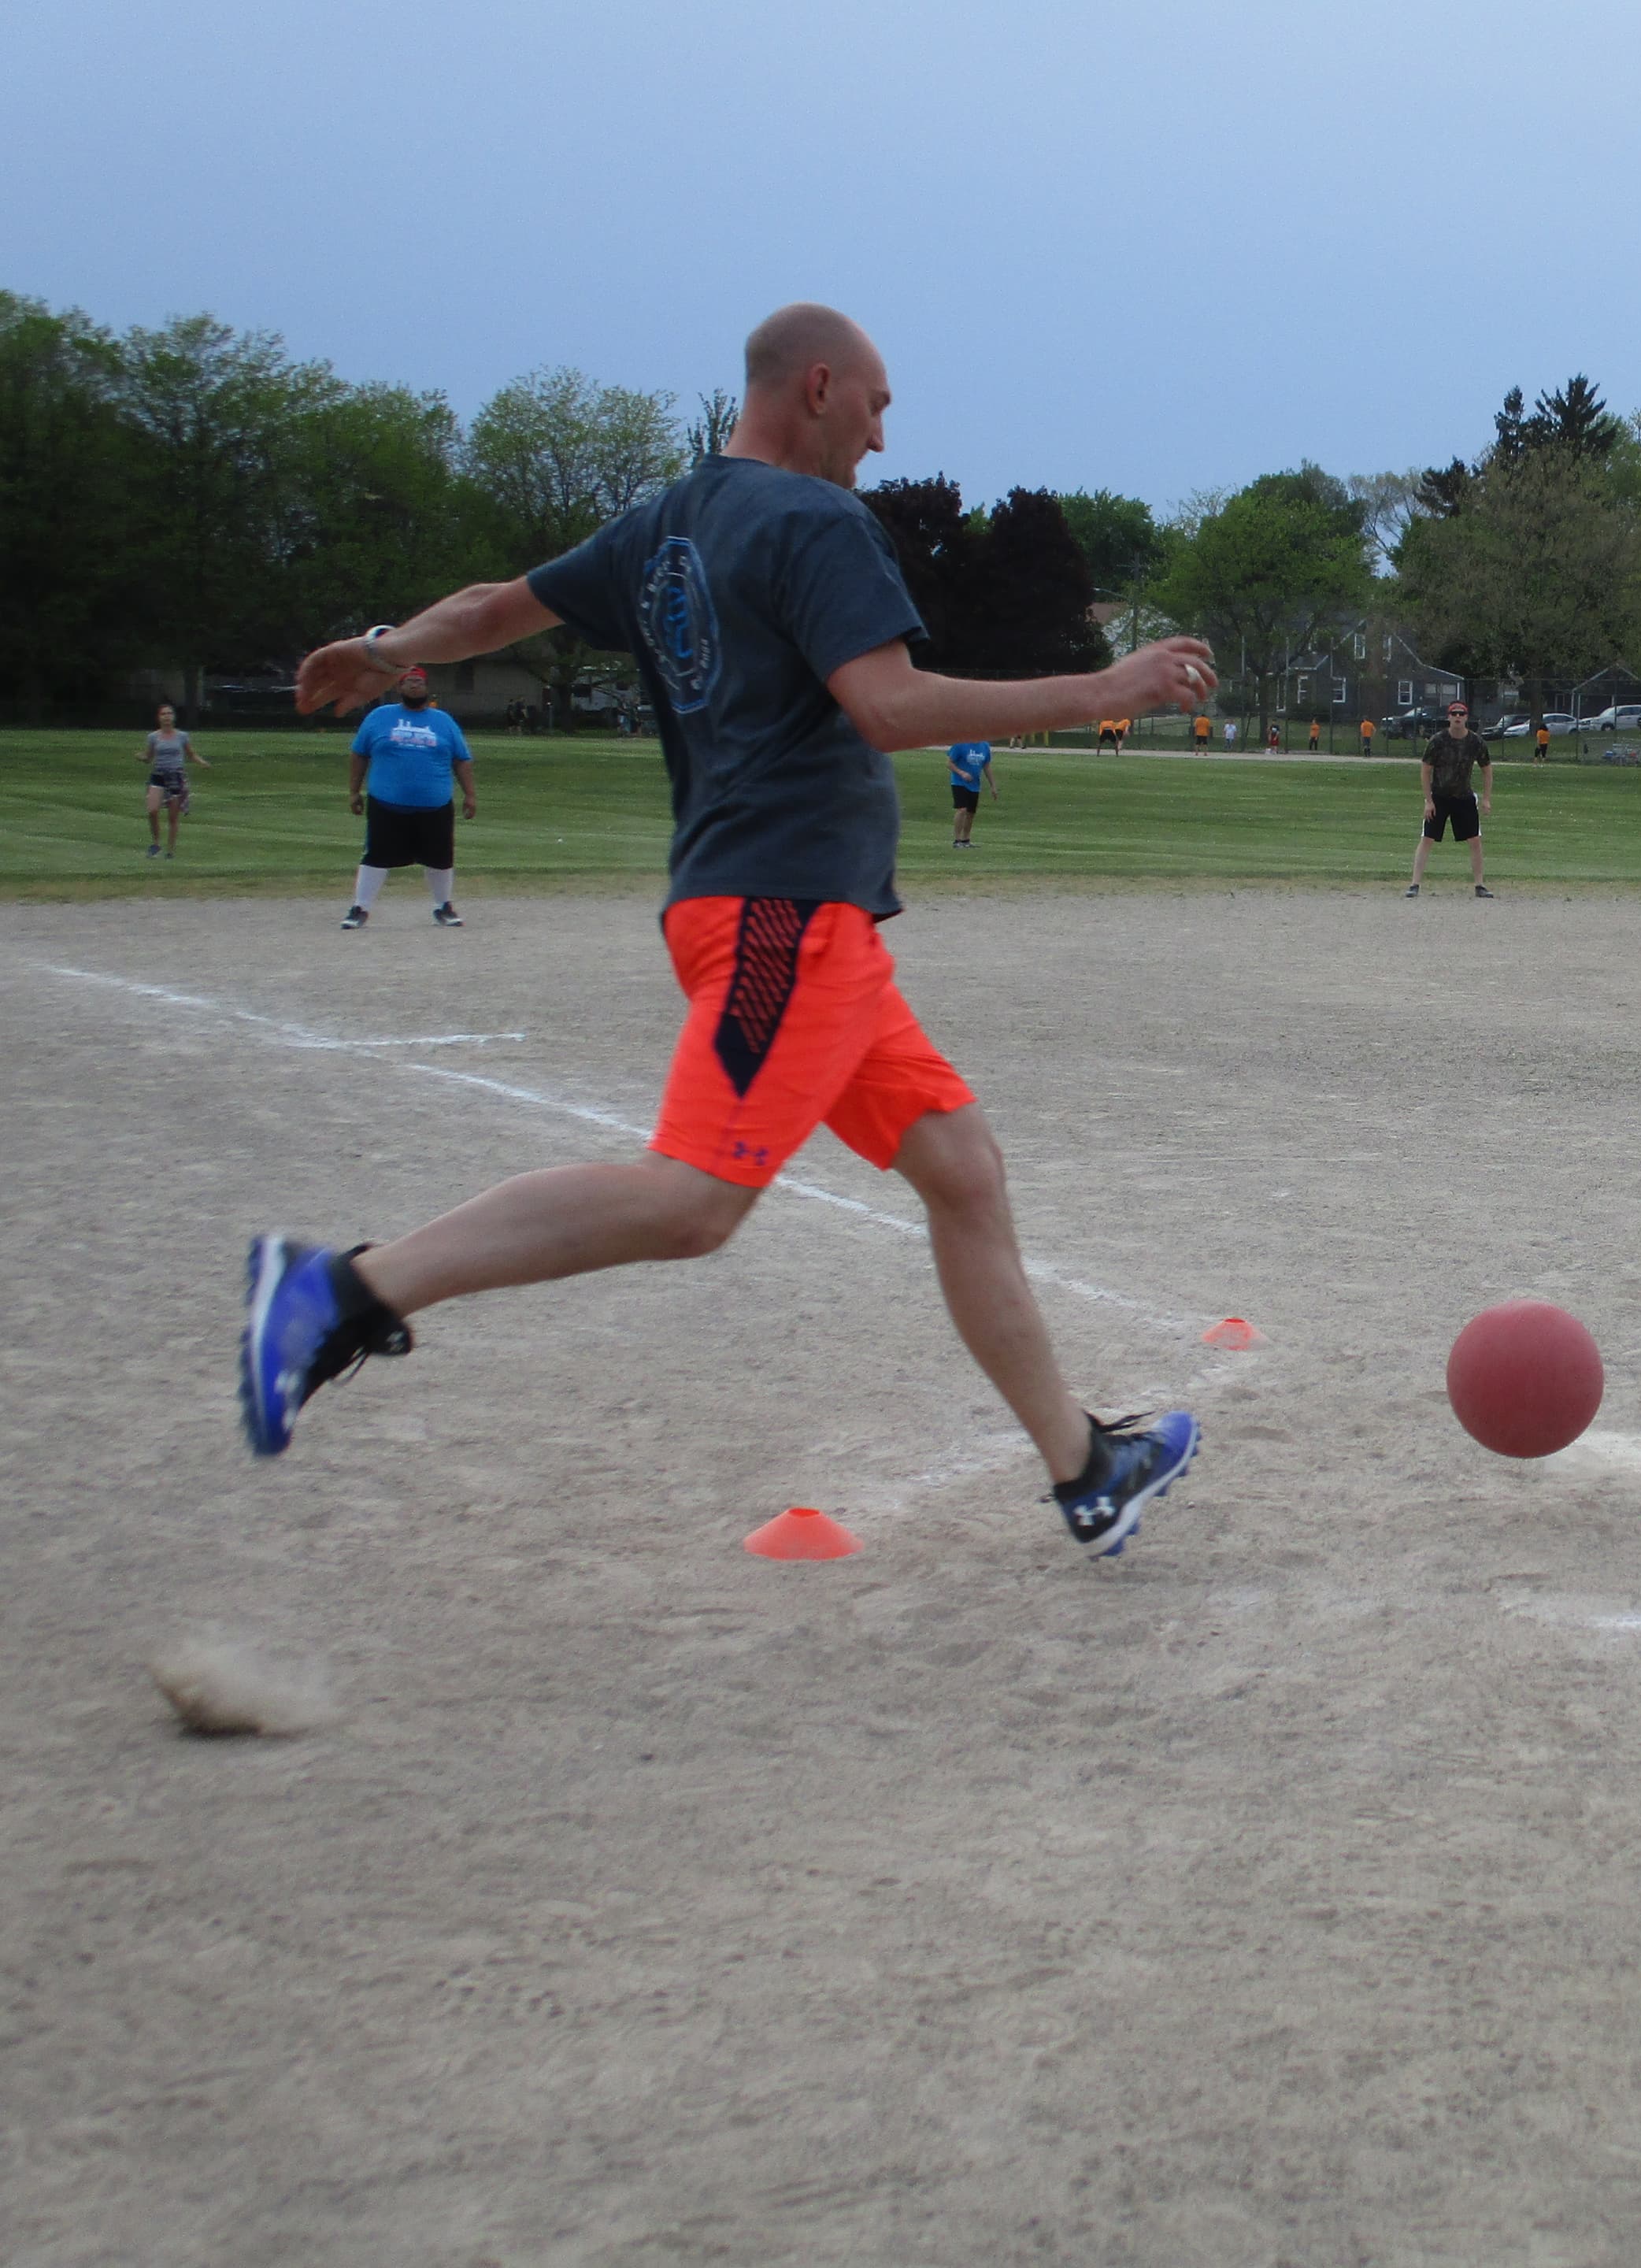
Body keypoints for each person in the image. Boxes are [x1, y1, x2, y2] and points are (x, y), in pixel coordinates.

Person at [257, 302, 1217, 1559]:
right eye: (875, 408)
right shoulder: (816, 521)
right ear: (817, 387)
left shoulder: (669, 522)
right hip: (785, 911)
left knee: (963, 1172)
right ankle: (343, 1291)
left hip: (798, 918)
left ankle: (1088, 1468)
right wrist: (1104, 688)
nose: (880, 440)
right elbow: (888, 704)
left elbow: (495, 612)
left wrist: (384, 647)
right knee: (694, 1202)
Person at [342, 668, 476, 930]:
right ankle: (360, 907)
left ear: (427, 688)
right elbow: (359, 754)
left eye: (419, 682)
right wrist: (354, 791)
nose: (415, 686)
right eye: (409, 682)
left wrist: (470, 794)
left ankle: (444, 907)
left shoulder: (443, 721)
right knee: (376, 856)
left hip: (434, 804)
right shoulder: (379, 717)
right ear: (398, 689)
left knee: (440, 857)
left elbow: (462, 759)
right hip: (386, 802)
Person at [1406, 699, 1494, 899]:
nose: (1457, 717)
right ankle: (1414, 884)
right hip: (1439, 796)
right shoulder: (1438, 741)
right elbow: (1426, 770)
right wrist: (1428, 800)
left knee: (1475, 840)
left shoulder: (1475, 742)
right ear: (1448, 717)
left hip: (1464, 797)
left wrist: (1487, 798)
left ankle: (1480, 885)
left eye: (1461, 714)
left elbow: (1487, 769)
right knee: (1427, 838)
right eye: (1454, 714)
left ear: (1466, 718)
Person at [140, 702, 206, 858]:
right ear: (159, 718)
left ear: (173, 717)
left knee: (173, 816)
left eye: (169, 714)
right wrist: (141, 757)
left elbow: (191, 754)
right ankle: (156, 844)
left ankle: (170, 851)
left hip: (176, 777)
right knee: (152, 810)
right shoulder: (153, 737)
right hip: (158, 776)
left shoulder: (182, 736)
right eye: (164, 714)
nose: (167, 717)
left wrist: (202, 762)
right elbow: (149, 757)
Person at [947, 738, 995, 847]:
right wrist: (962, 773)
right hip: (959, 782)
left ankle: (966, 840)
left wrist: (993, 785)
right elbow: (949, 763)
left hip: (975, 785)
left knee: (971, 813)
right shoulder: (960, 744)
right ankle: (957, 840)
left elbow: (986, 767)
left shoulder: (985, 746)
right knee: (962, 810)